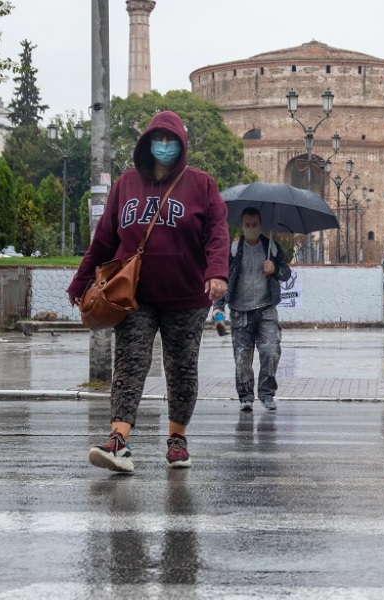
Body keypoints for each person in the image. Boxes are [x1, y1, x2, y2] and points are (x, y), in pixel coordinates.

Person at [67, 111, 229, 474]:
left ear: (182, 145)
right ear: (146, 144)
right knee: (130, 364)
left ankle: (177, 441)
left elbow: (218, 232)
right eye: (159, 139)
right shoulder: (125, 183)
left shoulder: (201, 184)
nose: (165, 146)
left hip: (187, 296)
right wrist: (79, 282)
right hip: (133, 296)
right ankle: (118, 441)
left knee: (181, 368)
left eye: (172, 141)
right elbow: (105, 239)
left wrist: (217, 272)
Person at [212, 207, 292, 412]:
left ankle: (266, 393)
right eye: (247, 225)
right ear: (242, 226)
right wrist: (218, 307)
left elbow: (286, 273)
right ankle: (246, 396)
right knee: (242, 357)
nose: (251, 228)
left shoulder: (271, 247)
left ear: (260, 225)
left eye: (254, 225)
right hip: (240, 311)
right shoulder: (233, 250)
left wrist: (274, 270)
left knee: (271, 350)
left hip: (266, 309)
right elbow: (222, 278)